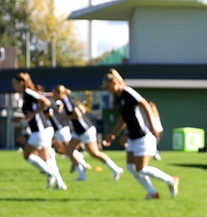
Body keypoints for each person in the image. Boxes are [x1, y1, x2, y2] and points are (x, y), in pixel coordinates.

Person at [102, 69, 178, 199]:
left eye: (108, 87)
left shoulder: (128, 92)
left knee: (141, 168)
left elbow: (145, 105)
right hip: (133, 137)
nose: (107, 90)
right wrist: (113, 134)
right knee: (131, 167)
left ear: (115, 82)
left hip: (144, 135)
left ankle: (171, 180)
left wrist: (153, 125)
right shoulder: (119, 97)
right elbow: (122, 119)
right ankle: (153, 193)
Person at [53, 85, 124, 180]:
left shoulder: (68, 101)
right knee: (69, 151)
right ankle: (82, 175)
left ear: (60, 93)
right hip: (78, 131)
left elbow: (77, 114)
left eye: (54, 93)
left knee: (94, 153)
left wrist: (64, 118)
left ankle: (116, 169)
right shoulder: (66, 101)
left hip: (85, 130)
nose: (53, 95)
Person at [12, 72, 66, 190]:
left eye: (15, 84)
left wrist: (33, 114)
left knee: (27, 155)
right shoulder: (26, 95)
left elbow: (46, 102)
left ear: (22, 83)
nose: (13, 86)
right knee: (46, 157)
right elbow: (34, 111)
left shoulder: (28, 92)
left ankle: (50, 173)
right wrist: (24, 117)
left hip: (40, 130)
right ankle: (60, 183)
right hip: (44, 129)